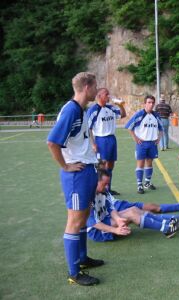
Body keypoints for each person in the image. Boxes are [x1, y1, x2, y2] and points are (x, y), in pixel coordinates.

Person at [47, 72, 103, 286]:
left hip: (86, 170)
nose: (97, 90)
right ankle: (74, 273)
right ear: (87, 87)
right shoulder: (71, 110)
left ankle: (82, 259)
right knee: (75, 220)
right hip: (76, 175)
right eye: (95, 86)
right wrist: (65, 165)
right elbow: (52, 142)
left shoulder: (81, 109)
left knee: (84, 215)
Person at [87, 170, 179, 241]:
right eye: (104, 184)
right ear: (96, 181)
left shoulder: (103, 191)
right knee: (133, 214)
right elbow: (93, 223)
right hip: (97, 232)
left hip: (106, 219)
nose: (107, 186)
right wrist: (115, 230)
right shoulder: (88, 197)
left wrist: (118, 219)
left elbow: (111, 208)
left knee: (133, 209)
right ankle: (166, 229)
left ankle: (169, 222)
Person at [88, 88, 126, 195]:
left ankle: (108, 188)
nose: (109, 96)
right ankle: (99, 189)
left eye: (109, 94)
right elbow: (88, 128)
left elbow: (123, 115)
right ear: (99, 96)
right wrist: (93, 143)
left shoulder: (111, 108)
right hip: (101, 139)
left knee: (111, 165)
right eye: (106, 94)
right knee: (102, 165)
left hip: (112, 138)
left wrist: (120, 105)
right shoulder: (93, 110)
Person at [125, 95, 163, 194]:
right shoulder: (140, 115)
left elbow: (161, 128)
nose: (151, 104)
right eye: (149, 102)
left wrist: (158, 138)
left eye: (152, 103)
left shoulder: (156, 115)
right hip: (142, 143)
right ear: (145, 103)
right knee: (140, 164)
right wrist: (136, 138)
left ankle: (147, 182)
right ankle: (139, 185)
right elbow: (129, 127)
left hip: (152, 143)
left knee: (149, 163)